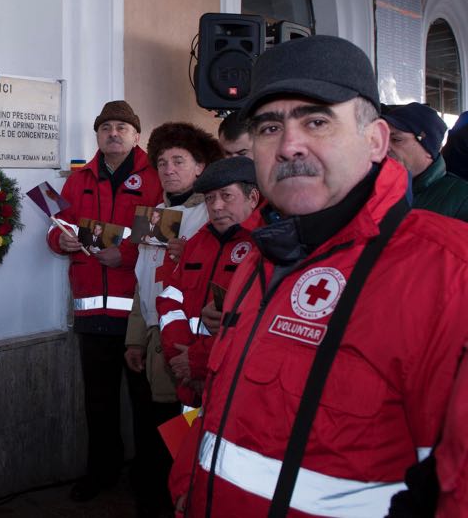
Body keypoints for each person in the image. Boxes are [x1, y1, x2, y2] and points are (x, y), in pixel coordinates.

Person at [184, 35, 468, 517]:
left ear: (376, 140)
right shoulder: (256, 260)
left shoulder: (449, 274)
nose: (290, 144)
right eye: (270, 127)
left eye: (317, 121)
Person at [46, 100, 163, 502]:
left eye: (122, 128)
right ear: (97, 134)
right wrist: (59, 240)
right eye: (106, 127)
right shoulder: (79, 179)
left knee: (147, 403)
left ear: (136, 134)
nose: (113, 133)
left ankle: (151, 480)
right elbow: (56, 226)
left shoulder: (155, 178)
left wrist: (126, 256)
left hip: (139, 312)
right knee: (99, 401)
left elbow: (160, 234)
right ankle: (102, 472)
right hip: (93, 311)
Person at [125, 121, 222, 517]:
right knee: (148, 431)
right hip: (150, 337)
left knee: (176, 436)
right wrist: (135, 337)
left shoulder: (209, 216)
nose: (168, 169)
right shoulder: (153, 215)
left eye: (178, 160)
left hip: (183, 343)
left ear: (200, 167)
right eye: (162, 161)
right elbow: (141, 279)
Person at [156, 156, 259, 409]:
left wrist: (199, 361)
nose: (216, 206)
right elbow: (169, 300)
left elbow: (256, 321)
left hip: (234, 387)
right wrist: (179, 357)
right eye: (210, 198)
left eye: (226, 196)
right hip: (188, 382)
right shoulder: (195, 243)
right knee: (189, 448)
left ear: (253, 198)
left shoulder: (264, 246)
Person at [383, 101, 468, 222]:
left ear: (428, 149)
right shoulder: (372, 187)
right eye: (382, 138)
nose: (384, 147)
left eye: (396, 139)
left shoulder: (462, 199)